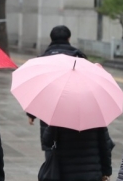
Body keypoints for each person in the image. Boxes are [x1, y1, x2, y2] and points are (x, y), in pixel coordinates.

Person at [27, 25, 88, 154]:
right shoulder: (78, 57)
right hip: (73, 110)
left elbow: (36, 88)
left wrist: (31, 113)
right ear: (69, 38)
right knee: (72, 148)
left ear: (51, 38)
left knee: (50, 149)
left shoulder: (42, 60)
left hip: (49, 112)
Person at [42, 126, 113, 181]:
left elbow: (47, 141)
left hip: (66, 173)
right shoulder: (97, 119)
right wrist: (107, 172)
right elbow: (105, 147)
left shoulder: (60, 118)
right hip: (92, 173)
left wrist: (52, 126)